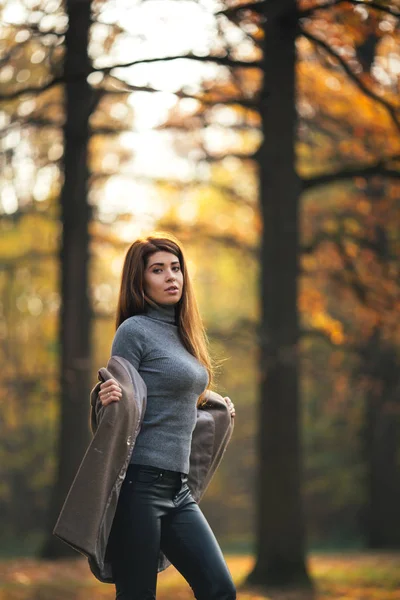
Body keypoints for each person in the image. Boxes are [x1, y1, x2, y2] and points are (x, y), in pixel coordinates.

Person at [98, 232, 236, 600]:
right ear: (139, 279)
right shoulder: (134, 331)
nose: (171, 277)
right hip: (138, 487)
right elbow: (120, 390)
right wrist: (103, 396)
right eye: (158, 270)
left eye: (175, 268)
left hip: (179, 490)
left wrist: (214, 404)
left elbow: (173, 392)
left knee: (219, 589)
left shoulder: (183, 333)